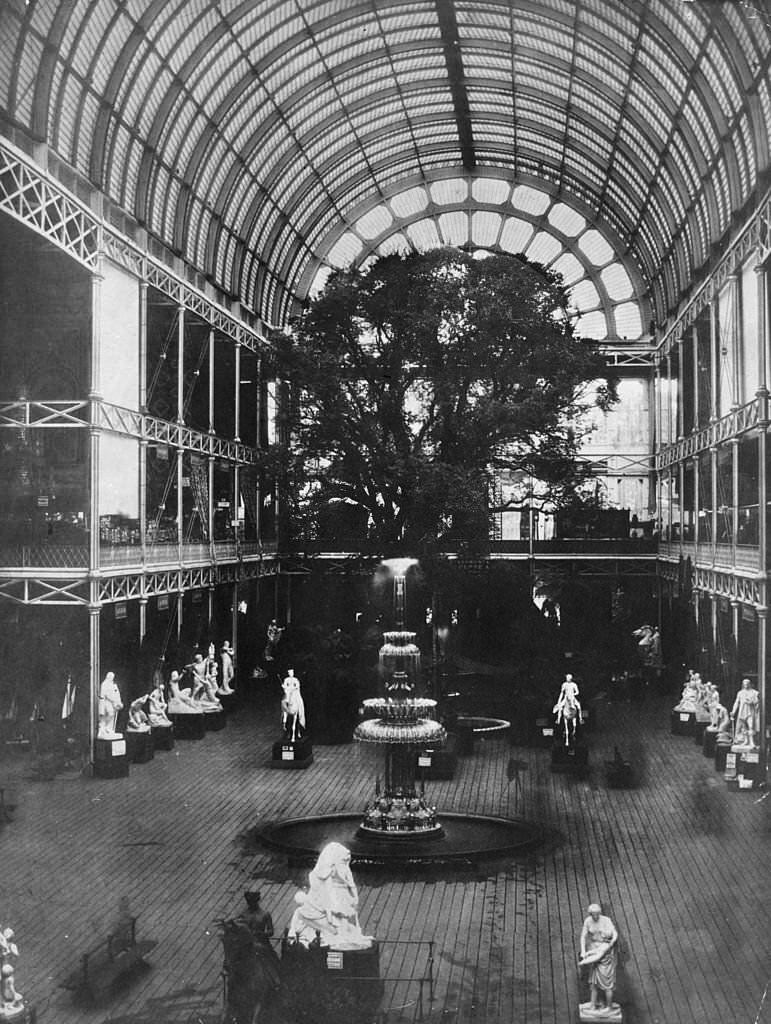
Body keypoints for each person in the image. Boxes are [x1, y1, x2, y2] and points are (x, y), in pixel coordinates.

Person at [287, 842, 373, 950]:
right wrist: (334, 910)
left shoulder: (342, 873)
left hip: (335, 906)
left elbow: (350, 886)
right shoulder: (325, 878)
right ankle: (342, 937)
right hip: (324, 911)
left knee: (344, 926)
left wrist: (353, 897)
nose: (345, 865)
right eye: (343, 862)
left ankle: (345, 936)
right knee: (337, 928)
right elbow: (328, 900)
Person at [579, 903, 619, 1014]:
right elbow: (584, 937)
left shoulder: (605, 944)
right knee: (594, 983)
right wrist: (584, 952)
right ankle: (593, 1004)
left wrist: (583, 962)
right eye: (593, 914)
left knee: (607, 985)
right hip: (596, 951)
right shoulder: (588, 921)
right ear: (590, 914)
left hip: (603, 960)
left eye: (597, 914)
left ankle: (609, 1007)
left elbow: (597, 956)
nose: (596, 916)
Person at [730, 677, 760, 749]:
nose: (745, 685)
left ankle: (752, 742)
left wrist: (751, 702)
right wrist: (733, 711)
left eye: (747, 683)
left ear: (750, 684)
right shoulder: (740, 693)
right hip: (742, 712)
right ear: (743, 684)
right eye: (744, 684)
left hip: (750, 712)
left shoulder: (754, 692)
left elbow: (757, 702)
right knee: (744, 728)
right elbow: (736, 702)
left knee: (751, 726)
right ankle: (746, 741)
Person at [281, 669, 305, 742]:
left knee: (300, 702)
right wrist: (284, 687)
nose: (291, 673)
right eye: (290, 672)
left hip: (295, 693)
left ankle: (300, 714)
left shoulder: (295, 679)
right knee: (283, 702)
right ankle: (284, 719)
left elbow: (297, 686)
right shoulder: (286, 679)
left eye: (292, 672)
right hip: (288, 693)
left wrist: (292, 688)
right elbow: (285, 686)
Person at [97, 672, 123, 739]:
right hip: (106, 701)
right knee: (110, 713)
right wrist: (114, 700)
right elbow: (106, 694)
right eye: (111, 677)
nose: (112, 679)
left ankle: (108, 728)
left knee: (112, 714)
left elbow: (116, 693)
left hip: (111, 702)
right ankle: (105, 728)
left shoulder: (112, 684)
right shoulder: (104, 684)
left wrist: (118, 702)